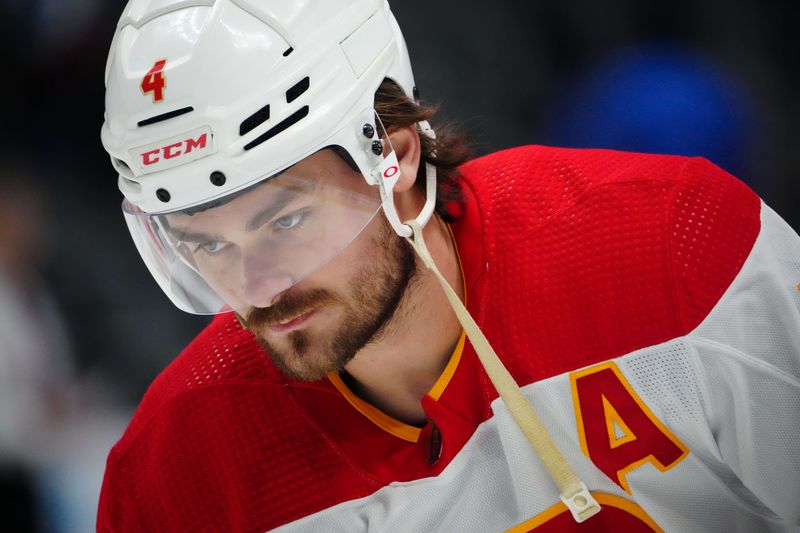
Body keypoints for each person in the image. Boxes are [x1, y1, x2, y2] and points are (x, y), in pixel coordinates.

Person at [97, 1, 800, 531]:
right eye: (207, 244)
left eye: (285, 220)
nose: (257, 288)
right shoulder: (173, 471)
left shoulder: (670, 244)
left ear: (394, 156)